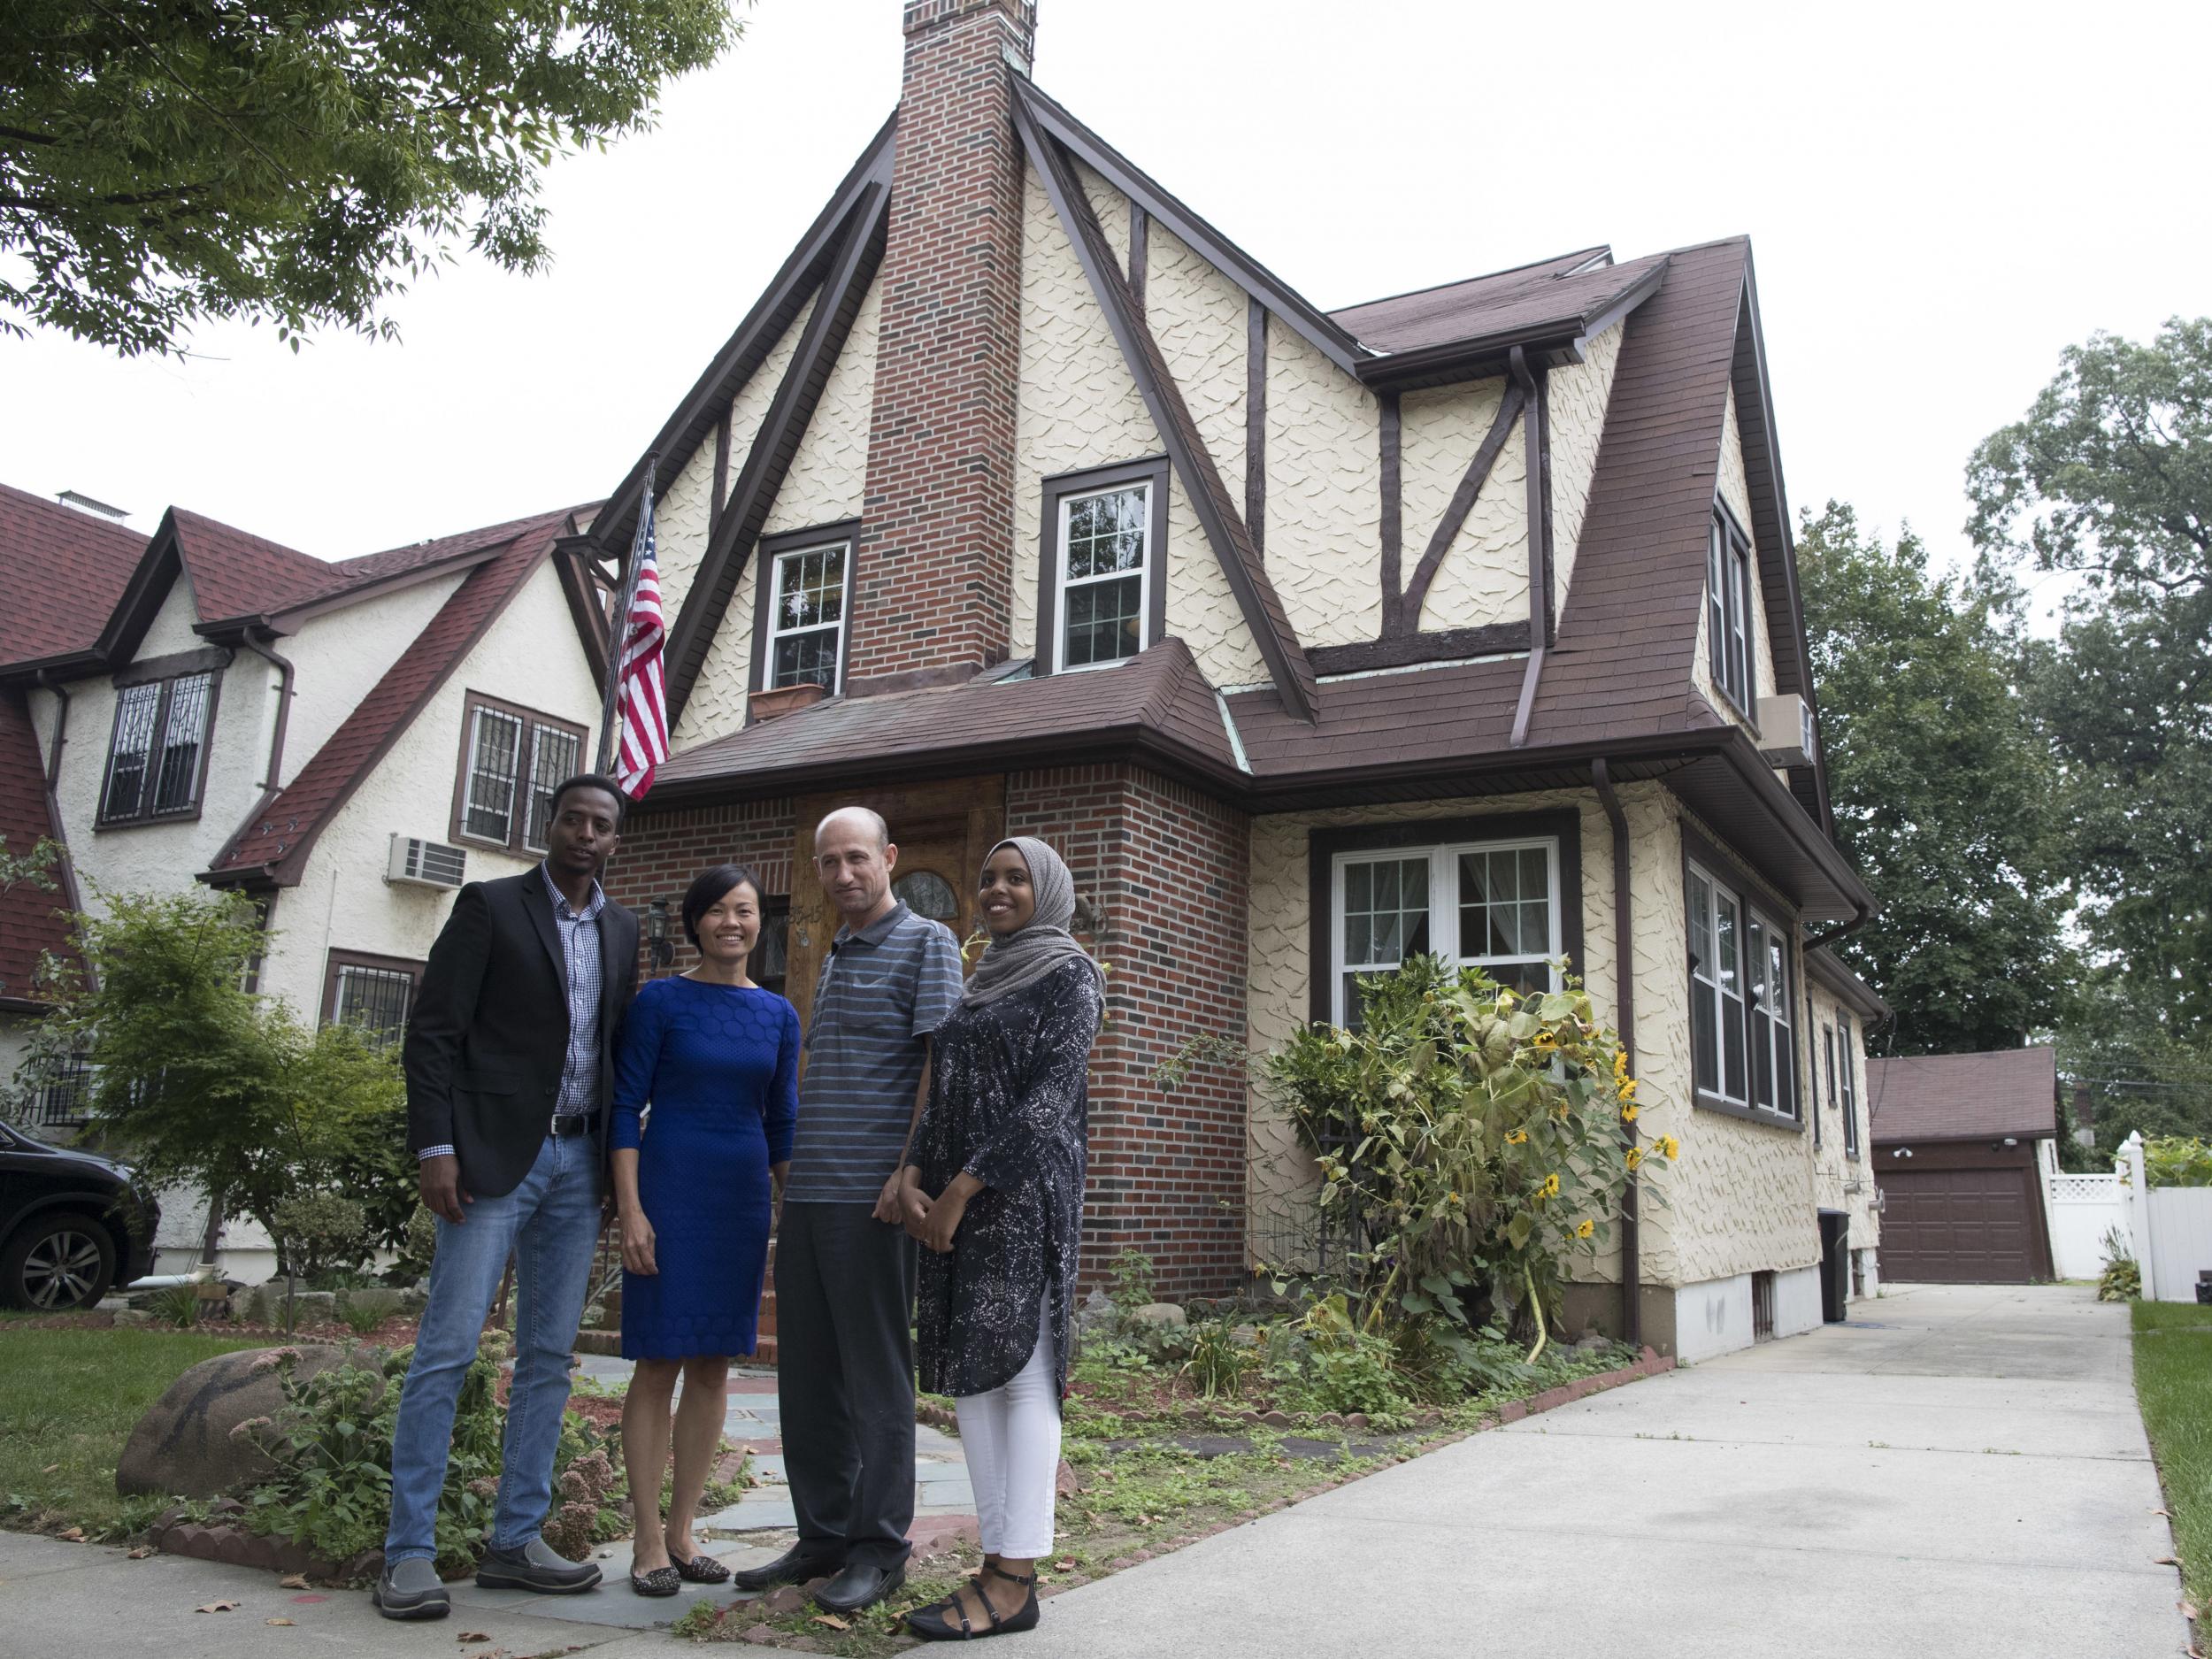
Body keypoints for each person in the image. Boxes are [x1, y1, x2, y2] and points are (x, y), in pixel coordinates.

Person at [377, 775, 640, 1621]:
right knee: (449, 1349)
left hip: (578, 1163)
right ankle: (407, 1554)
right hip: (491, 1160)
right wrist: (437, 1146)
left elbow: (612, 1047)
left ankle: (514, 1541)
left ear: (614, 840)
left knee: (549, 1360)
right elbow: (435, 1035)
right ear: (551, 824)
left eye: (602, 825)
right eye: (574, 819)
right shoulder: (488, 905)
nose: (586, 834)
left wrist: (612, 1170)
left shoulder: (622, 926)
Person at [731, 806, 964, 1615]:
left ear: (889, 857)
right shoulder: (835, 947)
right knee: (809, 1376)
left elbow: (943, 1064)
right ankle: (823, 1534)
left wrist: (910, 1172)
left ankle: (879, 1545)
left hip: (874, 1201)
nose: (842, 875)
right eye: (829, 862)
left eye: (857, 858)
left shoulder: (927, 941)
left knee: (874, 1379)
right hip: (811, 1195)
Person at [899, 837, 1103, 1642]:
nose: (997, 888)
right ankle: (994, 1562)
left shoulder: (1070, 975)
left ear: (1047, 888)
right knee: (974, 1382)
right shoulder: (980, 982)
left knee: (1025, 1375)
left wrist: (957, 1191)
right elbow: (943, 1091)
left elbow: (1049, 1104)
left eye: (1016, 877)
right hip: (953, 1200)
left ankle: (1017, 1575)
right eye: (987, 876)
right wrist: (914, 1170)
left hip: (1022, 1201)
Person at [610, 864, 798, 1596]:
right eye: (717, 911)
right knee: (659, 1361)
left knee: (716, 1364)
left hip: (740, 1200)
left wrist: (797, 1208)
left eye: (745, 911)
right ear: (695, 922)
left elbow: (781, 1120)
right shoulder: (660, 1002)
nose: (732, 922)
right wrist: (630, 1209)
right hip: (669, 1192)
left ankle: (686, 1531)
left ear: (760, 922)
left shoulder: (780, 1015)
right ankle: (647, 1537)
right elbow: (626, 1107)